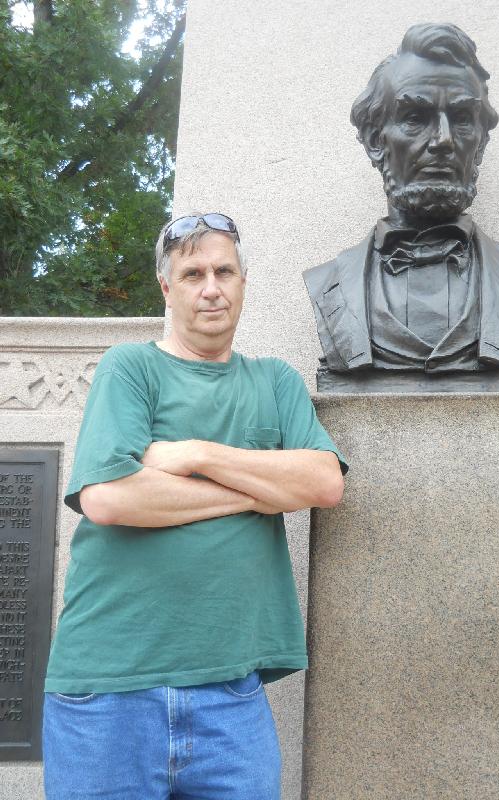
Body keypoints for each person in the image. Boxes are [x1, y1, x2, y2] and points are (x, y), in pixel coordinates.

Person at [43, 212, 347, 800]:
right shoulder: (131, 368)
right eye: (193, 274)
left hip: (232, 695)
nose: (211, 287)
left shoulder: (276, 382)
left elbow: (322, 483)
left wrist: (193, 453)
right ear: (167, 287)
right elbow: (108, 498)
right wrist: (257, 489)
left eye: (224, 271)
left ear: (242, 282)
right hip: (109, 693)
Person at [303, 23, 499, 381]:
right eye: (415, 118)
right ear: (375, 140)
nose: (443, 140)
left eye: (463, 119)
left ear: (480, 143)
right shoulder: (329, 288)